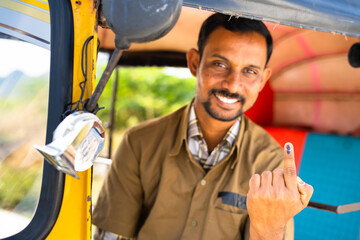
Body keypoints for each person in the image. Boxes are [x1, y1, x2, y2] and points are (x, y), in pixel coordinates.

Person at [93, 13, 313, 240]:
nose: (233, 84)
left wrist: (270, 223)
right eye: (220, 64)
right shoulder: (138, 143)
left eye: (249, 71)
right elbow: (110, 235)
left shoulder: (269, 162)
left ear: (263, 80)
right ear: (194, 63)